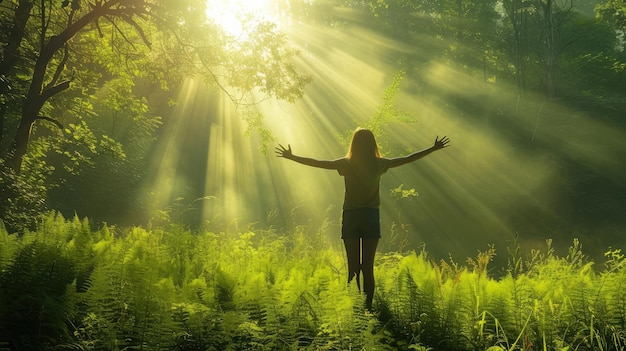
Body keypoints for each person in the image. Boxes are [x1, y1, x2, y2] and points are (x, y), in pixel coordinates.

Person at [275, 128, 450, 309]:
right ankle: (367, 310)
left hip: (351, 217)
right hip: (370, 217)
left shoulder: (346, 164)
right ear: (372, 144)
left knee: (353, 269)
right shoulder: (379, 164)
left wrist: (292, 156)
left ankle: (353, 312)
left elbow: (319, 163)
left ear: (354, 144)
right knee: (367, 267)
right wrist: (433, 148)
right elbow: (407, 159)